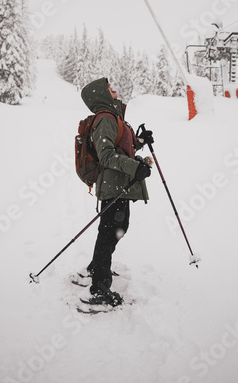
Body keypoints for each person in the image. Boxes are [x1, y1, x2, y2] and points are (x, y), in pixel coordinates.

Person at [81, 77, 153, 306]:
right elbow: (106, 155)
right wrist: (136, 167)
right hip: (114, 186)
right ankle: (100, 287)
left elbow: (122, 146)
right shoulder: (105, 118)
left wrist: (140, 141)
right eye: (110, 89)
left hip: (119, 185)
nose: (115, 90)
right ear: (101, 94)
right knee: (112, 230)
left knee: (111, 229)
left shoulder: (114, 117)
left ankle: (97, 267)